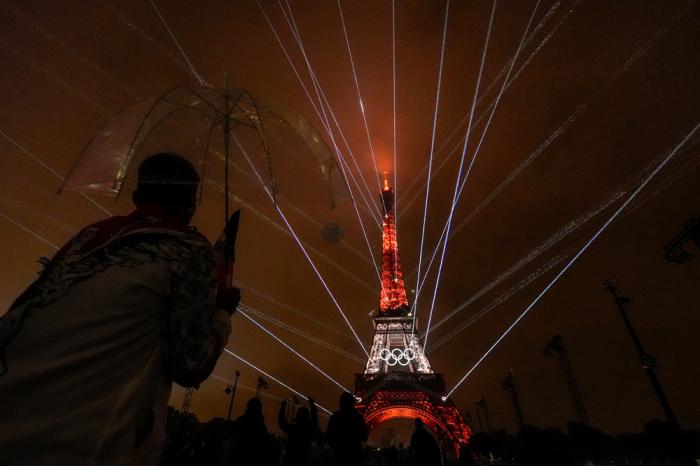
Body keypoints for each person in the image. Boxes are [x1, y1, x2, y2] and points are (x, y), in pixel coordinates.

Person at [0, 153, 238, 466]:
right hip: (82, 445)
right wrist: (221, 315)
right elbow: (192, 364)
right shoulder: (190, 251)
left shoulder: (87, 237)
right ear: (191, 204)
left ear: (138, 197)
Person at [325, 391, 368, 466]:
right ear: (352, 403)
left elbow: (329, 435)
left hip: (339, 454)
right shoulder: (358, 417)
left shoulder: (335, 416)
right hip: (354, 454)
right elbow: (364, 436)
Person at [231, 397, 274, 465]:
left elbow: (234, 436)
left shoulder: (240, 420)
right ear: (259, 408)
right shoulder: (259, 422)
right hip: (254, 457)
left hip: (238, 455)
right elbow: (264, 440)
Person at [278, 397, 318, 466]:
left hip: (289, 460)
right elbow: (314, 421)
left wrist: (283, 407)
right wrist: (312, 405)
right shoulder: (309, 429)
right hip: (302, 460)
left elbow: (282, 423)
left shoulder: (293, 429)